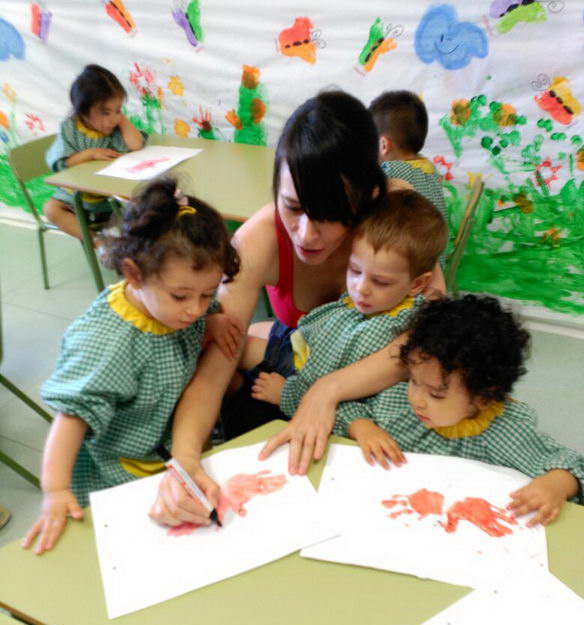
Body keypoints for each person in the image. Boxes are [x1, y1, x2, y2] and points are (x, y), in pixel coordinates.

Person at [149, 90, 447, 529]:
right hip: (295, 375)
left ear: (368, 195)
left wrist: (326, 391)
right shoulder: (259, 240)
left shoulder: (395, 216)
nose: (306, 234)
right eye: (292, 207)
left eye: (329, 213)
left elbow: (430, 340)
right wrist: (185, 461)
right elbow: (217, 363)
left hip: (377, 390)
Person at [22, 176, 240, 555]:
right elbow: (70, 419)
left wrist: (212, 320)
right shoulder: (107, 344)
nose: (196, 308)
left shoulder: (178, 309)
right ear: (133, 274)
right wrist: (55, 490)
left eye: (208, 294)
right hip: (123, 471)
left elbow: (198, 309)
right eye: (181, 295)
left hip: (173, 446)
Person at [334, 295, 584, 526]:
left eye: (436, 394)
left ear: (483, 398)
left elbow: (570, 464)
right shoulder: (400, 406)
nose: (417, 400)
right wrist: (363, 427)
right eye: (413, 380)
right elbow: (346, 408)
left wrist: (556, 485)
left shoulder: (506, 433)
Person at [249, 190, 447, 414]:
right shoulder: (386, 301)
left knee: (242, 347)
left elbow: (331, 383)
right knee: (255, 328)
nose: (361, 288)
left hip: (300, 368)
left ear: (417, 284)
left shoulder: (382, 331)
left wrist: (287, 394)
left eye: (380, 282)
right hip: (307, 337)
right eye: (354, 270)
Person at [44, 64, 145, 240]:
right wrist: (89, 154)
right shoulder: (70, 128)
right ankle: (99, 244)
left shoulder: (115, 126)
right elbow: (62, 164)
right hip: (77, 197)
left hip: (110, 197)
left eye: (118, 110)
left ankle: (124, 242)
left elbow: (136, 145)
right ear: (83, 112)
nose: (113, 119)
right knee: (51, 209)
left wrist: (122, 119)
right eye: (105, 113)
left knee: (145, 206)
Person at [369, 90, 448, 266]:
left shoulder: (391, 172)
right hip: (436, 263)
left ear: (383, 145)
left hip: (411, 268)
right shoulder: (429, 167)